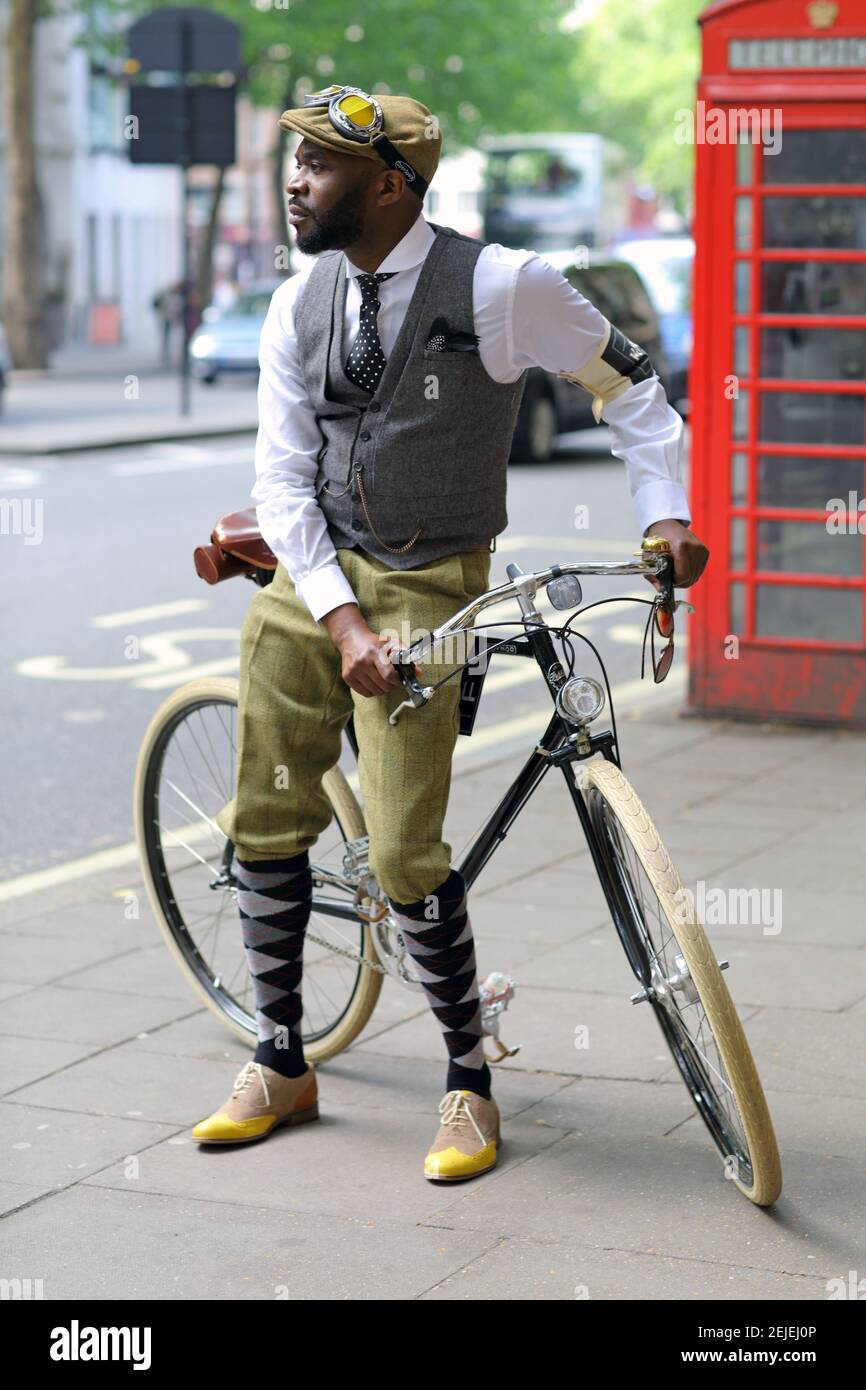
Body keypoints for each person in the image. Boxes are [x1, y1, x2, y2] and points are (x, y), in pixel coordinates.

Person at [192, 84, 709, 1181]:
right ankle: (281, 1058)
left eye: (317, 165)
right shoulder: (299, 301)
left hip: (433, 577)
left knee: (403, 849)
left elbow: (630, 389)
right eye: (296, 162)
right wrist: (332, 613)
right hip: (314, 573)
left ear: (387, 184)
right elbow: (281, 480)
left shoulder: (503, 285)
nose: (294, 181)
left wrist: (663, 513)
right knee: (266, 814)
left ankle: (468, 1079)